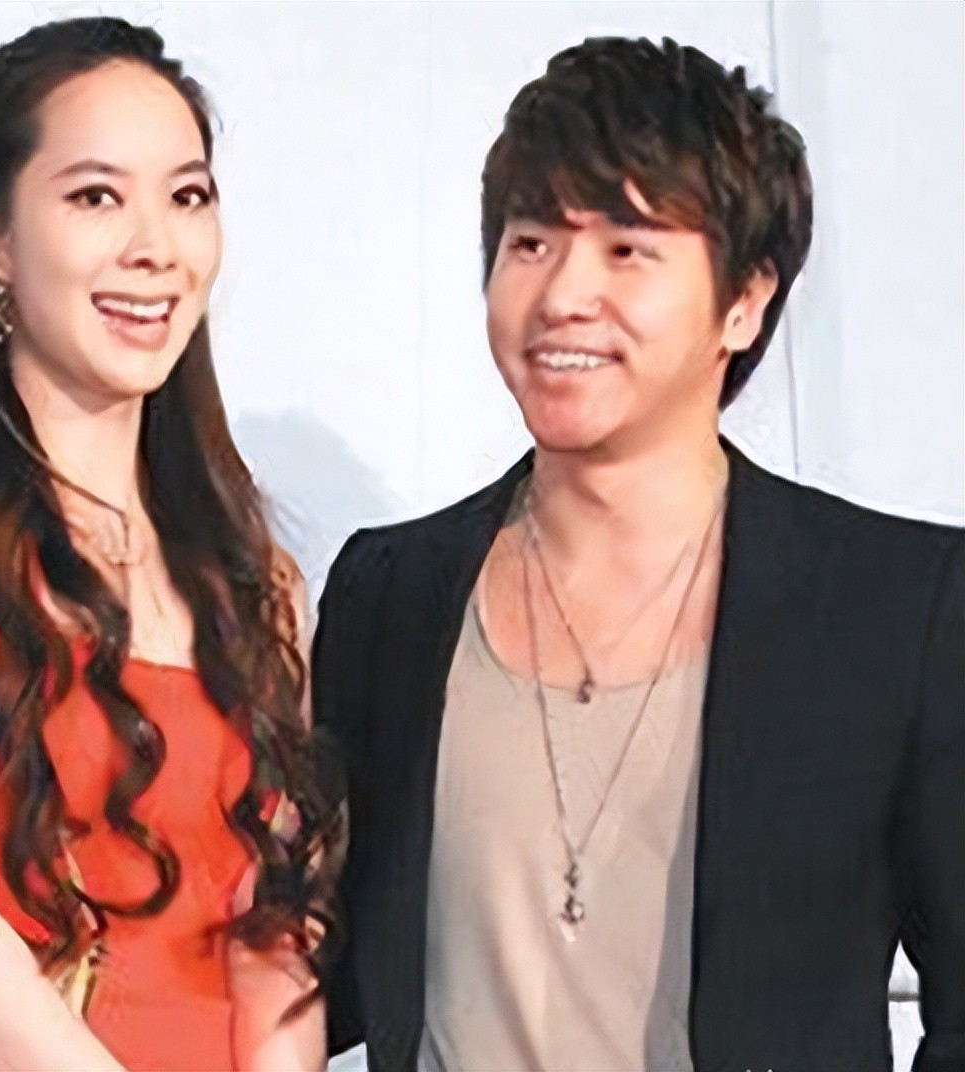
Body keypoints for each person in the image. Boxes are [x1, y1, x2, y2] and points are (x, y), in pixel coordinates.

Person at [314, 36, 963, 1072]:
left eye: (626, 248)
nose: (563, 294)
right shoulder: (388, 594)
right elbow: (316, 964)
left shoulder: (898, 606)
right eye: (531, 241)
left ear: (744, 300)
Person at [0, 17, 341, 1072]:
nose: (154, 246)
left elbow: (275, 934)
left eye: (186, 196)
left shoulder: (258, 583)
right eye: (95, 196)